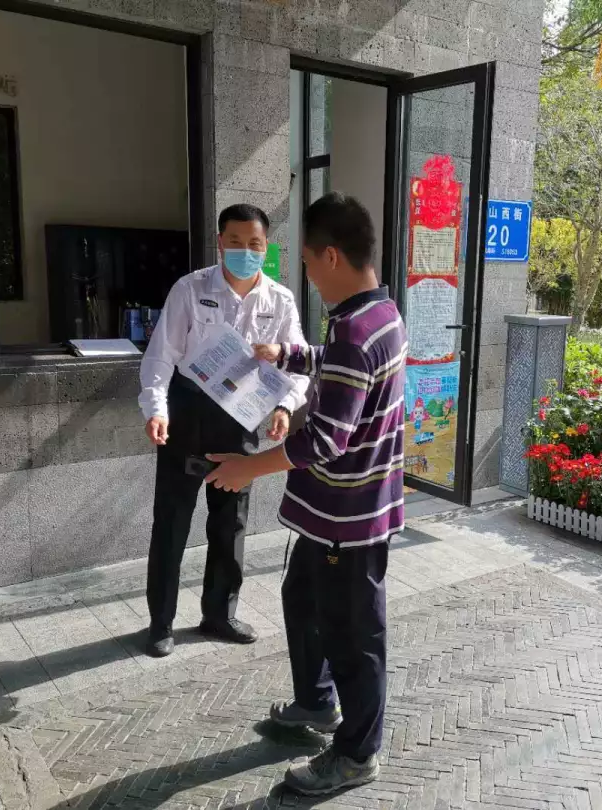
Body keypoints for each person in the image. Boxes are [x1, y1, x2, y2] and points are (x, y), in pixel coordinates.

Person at [205, 193, 406, 795]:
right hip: (336, 514)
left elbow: (325, 440)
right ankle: (317, 703)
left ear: (333, 256)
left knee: (353, 637)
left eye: (310, 264)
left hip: (349, 519)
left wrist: (248, 468)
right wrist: (289, 353)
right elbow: (341, 368)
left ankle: (357, 753)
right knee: (302, 599)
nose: (309, 277)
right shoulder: (378, 314)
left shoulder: (355, 331)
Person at [138, 203, 308, 657]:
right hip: (187, 417)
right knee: (171, 523)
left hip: (240, 419)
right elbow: (161, 355)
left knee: (230, 525)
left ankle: (219, 614)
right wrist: (157, 409)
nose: (244, 251)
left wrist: (285, 407)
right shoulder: (190, 289)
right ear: (220, 242)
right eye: (235, 242)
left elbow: (297, 363)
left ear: (266, 247)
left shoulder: (279, 300)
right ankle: (160, 623)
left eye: (254, 244)